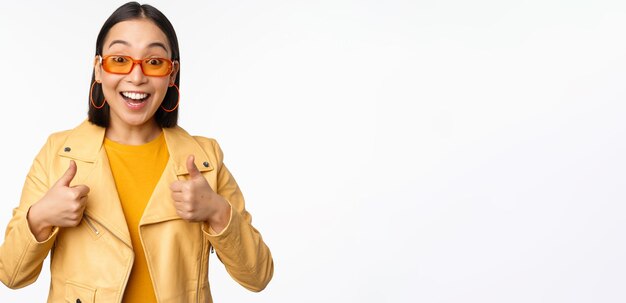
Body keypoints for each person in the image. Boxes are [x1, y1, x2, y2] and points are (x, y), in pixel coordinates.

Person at [0, 2, 273, 302]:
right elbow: (11, 275)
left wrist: (218, 212)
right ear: (99, 69)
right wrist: (40, 217)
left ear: (172, 74)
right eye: (119, 59)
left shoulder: (205, 159)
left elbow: (257, 276)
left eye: (154, 62)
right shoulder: (58, 153)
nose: (137, 76)